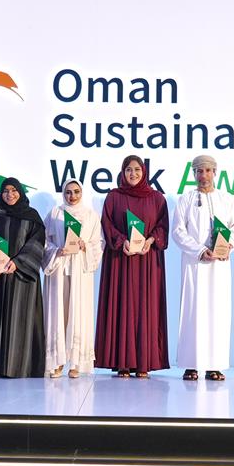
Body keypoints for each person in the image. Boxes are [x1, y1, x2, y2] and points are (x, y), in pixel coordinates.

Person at [95, 155, 170, 378]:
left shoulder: (157, 198)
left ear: (144, 172)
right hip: (121, 260)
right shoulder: (113, 197)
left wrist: (151, 240)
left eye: (137, 169)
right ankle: (123, 363)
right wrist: (121, 241)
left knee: (146, 307)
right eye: (128, 169)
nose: (133, 174)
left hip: (147, 262)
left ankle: (144, 362)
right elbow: (106, 224)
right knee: (121, 305)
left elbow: (163, 226)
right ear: (122, 172)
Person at [173, 155, 234, 381]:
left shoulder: (226, 199)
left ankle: (215, 365)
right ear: (193, 174)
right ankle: (191, 364)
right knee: (193, 311)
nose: (204, 175)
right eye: (199, 171)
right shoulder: (186, 199)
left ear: (215, 173)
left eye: (208, 171)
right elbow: (178, 231)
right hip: (195, 264)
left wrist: (229, 246)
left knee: (218, 312)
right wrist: (200, 250)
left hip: (220, 265)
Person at [0, 178, 47, 378]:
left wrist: (18, 263)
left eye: (14, 190)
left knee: (19, 319)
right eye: (5, 191)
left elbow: (37, 243)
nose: (10, 194)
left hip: (21, 277)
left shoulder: (32, 217)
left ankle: (16, 368)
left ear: (21, 192)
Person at [43, 179, 103, 378]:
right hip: (59, 268)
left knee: (78, 313)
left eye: (76, 191)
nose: (72, 196)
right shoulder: (55, 213)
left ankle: (76, 362)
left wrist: (85, 246)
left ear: (82, 193)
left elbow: (98, 243)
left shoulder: (91, 215)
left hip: (80, 270)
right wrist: (56, 251)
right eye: (68, 192)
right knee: (59, 313)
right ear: (63, 193)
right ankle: (57, 361)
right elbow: (44, 240)